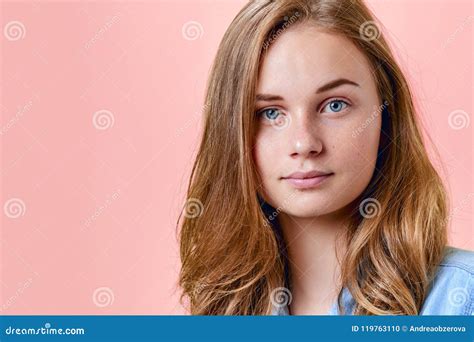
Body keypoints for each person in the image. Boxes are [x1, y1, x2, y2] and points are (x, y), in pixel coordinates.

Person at [178, 0, 474, 315]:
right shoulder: (217, 310)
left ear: (386, 114)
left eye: (335, 105)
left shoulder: (462, 301)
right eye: (270, 113)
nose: (304, 143)